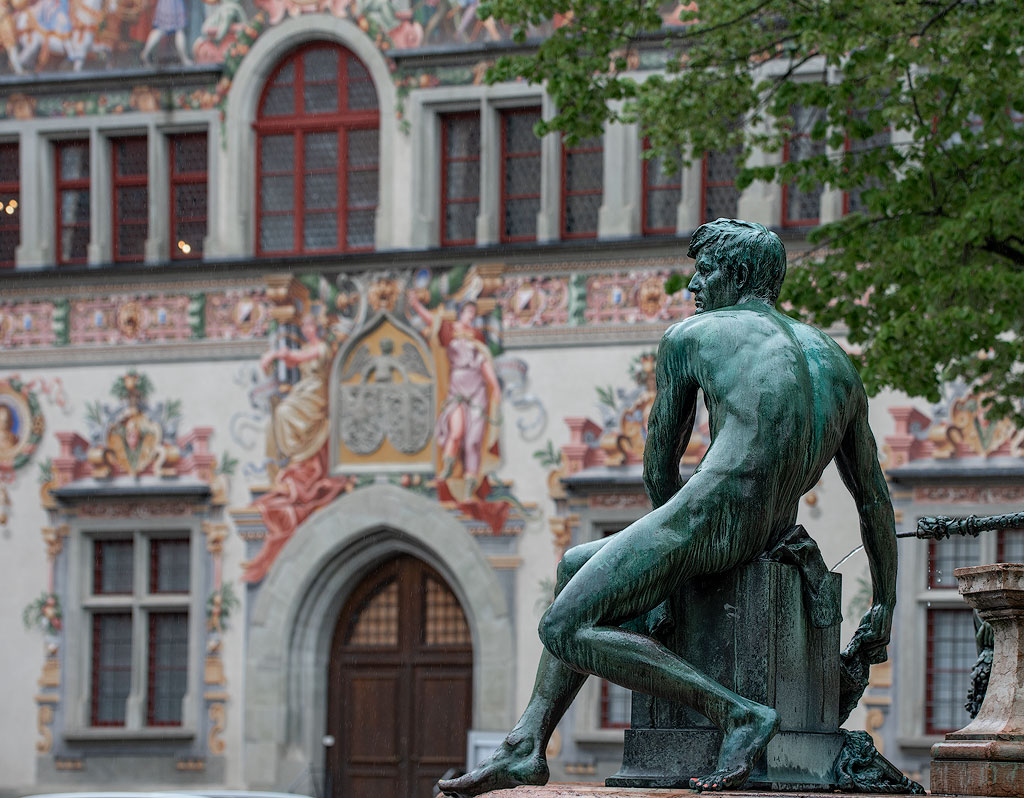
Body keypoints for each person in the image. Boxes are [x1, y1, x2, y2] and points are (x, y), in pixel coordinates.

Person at [438, 219, 898, 796]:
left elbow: (660, 463)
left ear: (734, 275)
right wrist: (884, 600)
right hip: (768, 528)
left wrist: (665, 573)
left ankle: (738, 714)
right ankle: (527, 745)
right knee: (573, 566)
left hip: (711, 517)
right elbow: (873, 497)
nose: (694, 287)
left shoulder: (693, 335)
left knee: (563, 626)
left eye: (703, 271)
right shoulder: (835, 361)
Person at [408, 292, 501, 495]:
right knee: (456, 432)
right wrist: (416, 306)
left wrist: (495, 387)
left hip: (477, 390)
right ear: (460, 313)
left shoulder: (477, 335)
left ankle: (470, 478)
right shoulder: (451, 330)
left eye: (473, 312)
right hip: (457, 389)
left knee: (474, 440)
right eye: (468, 311)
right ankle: (447, 467)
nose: (471, 315)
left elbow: (484, 360)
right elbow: (433, 321)